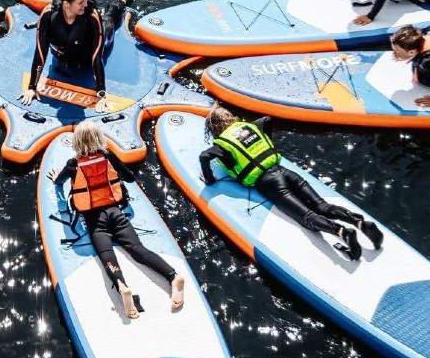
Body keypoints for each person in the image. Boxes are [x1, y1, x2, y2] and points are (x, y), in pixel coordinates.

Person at [200, 106, 384, 261]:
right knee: (322, 206)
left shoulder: (223, 145)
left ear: (215, 127)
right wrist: (268, 143)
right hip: (285, 172)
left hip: (268, 183)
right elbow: (268, 119)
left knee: (307, 217)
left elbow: (205, 156)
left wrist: (209, 180)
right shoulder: (250, 127)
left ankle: (343, 232)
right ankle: (358, 221)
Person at [49, 121, 185, 319]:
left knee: (107, 255)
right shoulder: (107, 156)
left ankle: (122, 286)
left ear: (76, 143)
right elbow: (129, 178)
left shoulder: (73, 164)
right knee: (138, 250)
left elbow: (59, 182)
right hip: (116, 212)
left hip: (95, 220)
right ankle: (173, 276)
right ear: (100, 139)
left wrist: (56, 179)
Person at [19, 0, 134, 113]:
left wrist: (101, 93)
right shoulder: (49, 15)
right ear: (67, 4)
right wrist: (32, 87)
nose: (85, 5)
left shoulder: (91, 16)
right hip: (62, 56)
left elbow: (97, 57)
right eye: (81, 2)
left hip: (85, 57)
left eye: (85, 1)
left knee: (109, 20)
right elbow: (40, 52)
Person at [390, 25, 430, 106]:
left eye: (397, 51)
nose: (394, 53)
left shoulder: (426, 62)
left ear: (411, 52)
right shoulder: (419, 40)